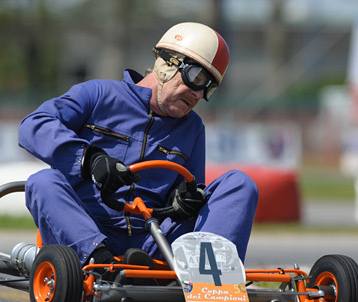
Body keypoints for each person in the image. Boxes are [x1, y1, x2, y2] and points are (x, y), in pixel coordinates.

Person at [18, 22, 258, 270]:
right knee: (42, 181)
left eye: (209, 87)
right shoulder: (98, 94)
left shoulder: (193, 128)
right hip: (84, 229)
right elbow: (32, 126)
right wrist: (89, 159)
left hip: (154, 239)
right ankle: (101, 264)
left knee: (239, 183)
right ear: (167, 64)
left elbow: (193, 188)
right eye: (196, 78)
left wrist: (186, 200)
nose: (198, 95)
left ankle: (209, 277)